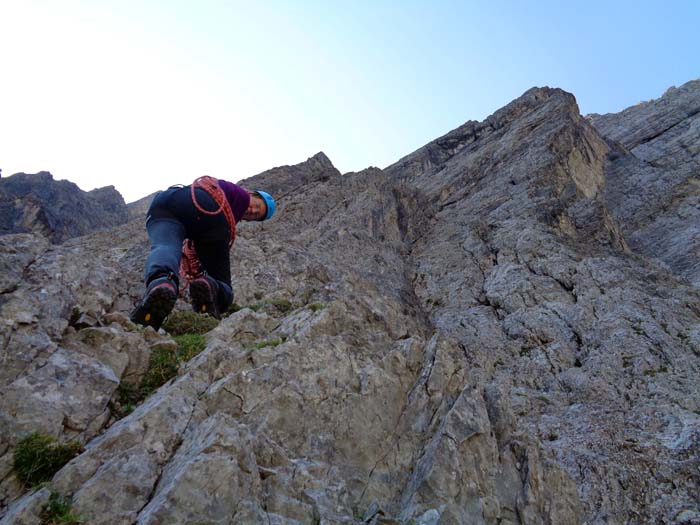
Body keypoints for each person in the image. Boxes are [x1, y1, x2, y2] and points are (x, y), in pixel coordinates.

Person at [130, 176, 276, 330]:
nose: (252, 210)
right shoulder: (240, 195)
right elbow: (213, 242)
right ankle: (213, 289)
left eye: (256, 215)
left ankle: (162, 282)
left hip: (165, 204)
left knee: (165, 246)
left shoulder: (225, 194)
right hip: (207, 206)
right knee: (222, 284)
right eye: (257, 205)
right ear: (252, 194)